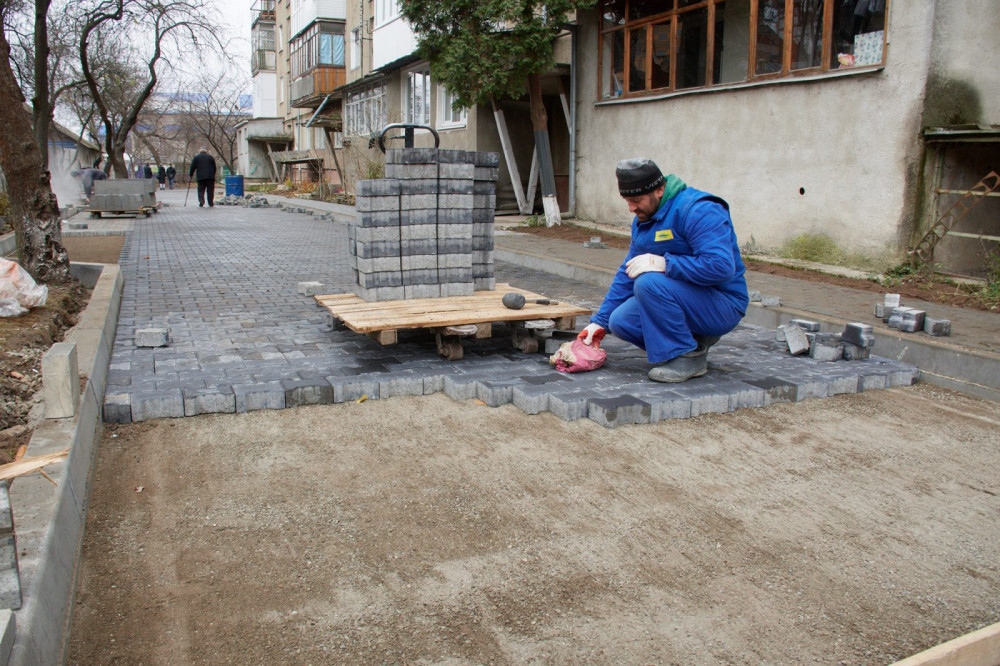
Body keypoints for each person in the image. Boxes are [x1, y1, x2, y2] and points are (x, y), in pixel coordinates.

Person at [577, 158, 749, 383]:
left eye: (636, 200)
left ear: (659, 190)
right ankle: (693, 343)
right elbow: (628, 272)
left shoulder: (699, 210)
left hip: (723, 304)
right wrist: (599, 321)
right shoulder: (644, 220)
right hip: (687, 299)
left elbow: (721, 267)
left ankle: (686, 357)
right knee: (619, 321)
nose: (631, 208)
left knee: (648, 282)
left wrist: (665, 264)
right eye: (627, 201)